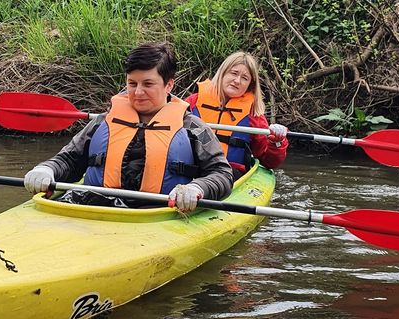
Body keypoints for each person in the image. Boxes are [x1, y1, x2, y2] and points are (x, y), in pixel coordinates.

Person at [24, 43, 233, 212]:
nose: (138, 92)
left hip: (158, 213)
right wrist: (47, 169)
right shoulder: (103, 121)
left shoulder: (192, 128)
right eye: (132, 84)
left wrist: (197, 188)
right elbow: (69, 160)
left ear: (169, 85)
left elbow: (222, 174)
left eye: (147, 84)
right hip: (94, 208)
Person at [186, 51, 288, 179]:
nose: (237, 81)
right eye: (234, 73)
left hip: (228, 175)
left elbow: (269, 161)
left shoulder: (252, 114)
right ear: (223, 73)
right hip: (190, 168)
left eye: (244, 78)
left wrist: (277, 142)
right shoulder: (192, 102)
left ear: (249, 85)